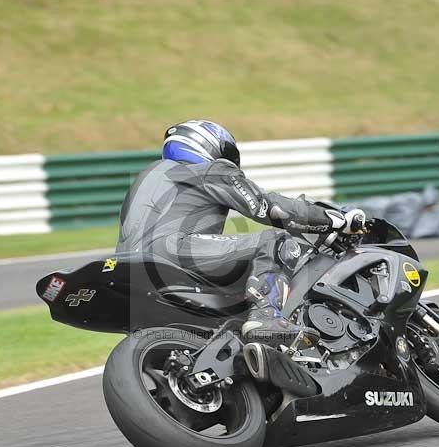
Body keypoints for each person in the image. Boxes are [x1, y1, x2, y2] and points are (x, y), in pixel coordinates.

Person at [116, 120, 365, 346]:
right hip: (173, 252)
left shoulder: (146, 179)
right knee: (276, 242)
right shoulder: (210, 170)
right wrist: (333, 219)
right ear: (209, 145)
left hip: (129, 264)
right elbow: (271, 208)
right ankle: (265, 316)